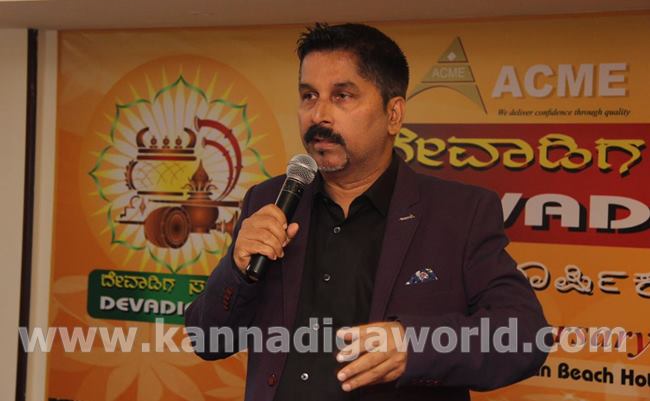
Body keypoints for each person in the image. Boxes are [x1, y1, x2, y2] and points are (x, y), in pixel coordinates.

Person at [184, 23, 548, 401]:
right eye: (309, 96)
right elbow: (207, 339)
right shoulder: (269, 200)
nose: (318, 115)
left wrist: (416, 344)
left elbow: (525, 337)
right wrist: (237, 270)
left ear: (394, 114)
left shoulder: (459, 213)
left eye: (342, 96)